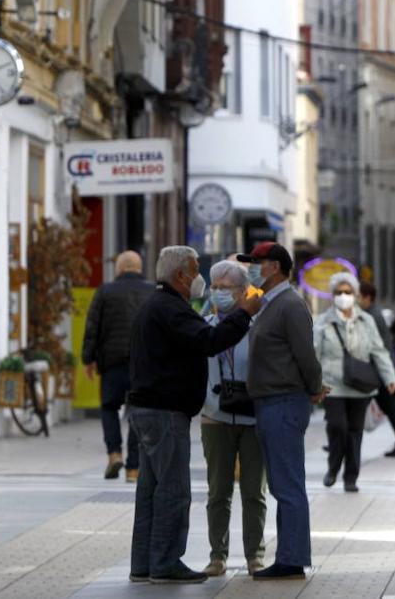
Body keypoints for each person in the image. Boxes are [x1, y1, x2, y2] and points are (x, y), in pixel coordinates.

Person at [125, 246, 260, 585]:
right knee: (173, 489)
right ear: (181, 275)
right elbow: (211, 340)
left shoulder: (155, 305)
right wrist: (243, 313)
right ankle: (166, 562)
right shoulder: (171, 308)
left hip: (146, 408)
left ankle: (144, 563)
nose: (202, 278)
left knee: (151, 489)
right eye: (197, 270)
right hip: (163, 412)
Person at [237, 241, 327, 581]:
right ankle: (290, 555)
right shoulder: (268, 304)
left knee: (287, 484)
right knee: (281, 483)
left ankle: (291, 559)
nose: (251, 269)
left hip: (283, 403)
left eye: (256, 263)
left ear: (274, 267)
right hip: (272, 402)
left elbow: (306, 355)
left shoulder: (289, 305)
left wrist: (314, 387)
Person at [199, 261, 266, 577]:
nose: (218, 293)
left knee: (253, 489)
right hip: (216, 415)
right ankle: (217, 555)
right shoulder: (205, 325)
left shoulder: (257, 329)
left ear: (242, 292)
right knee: (218, 490)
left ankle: (255, 554)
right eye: (214, 287)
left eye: (225, 288)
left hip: (253, 418)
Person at [315, 273, 395, 492]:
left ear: (356, 295)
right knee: (336, 427)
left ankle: (350, 477)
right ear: (332, 295)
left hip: (359, 386)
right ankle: (333, 467)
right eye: (339, 292)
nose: (343, 296)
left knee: (354, 432)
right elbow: (313, 353)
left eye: (348, 292)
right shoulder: (323, 322)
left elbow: (379, 351)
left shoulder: (366, 321)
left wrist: (389, 377)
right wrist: (310, 382)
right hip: (331, 385)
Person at [82, 250, 154, 482]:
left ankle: (114, 453)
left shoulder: (105, 291)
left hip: (112, 362)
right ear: (139, 268)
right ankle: (134, 468)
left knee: (109, 407)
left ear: (120, 268)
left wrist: (88, 359)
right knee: (137, 411)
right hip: (142, 363)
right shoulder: (151, 291)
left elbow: (93, 327)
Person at [359, 282, 395, 458]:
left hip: (377, 371)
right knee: (389, 407)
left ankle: (340, 444)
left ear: (367, 297)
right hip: (379, 370)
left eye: (359, 296)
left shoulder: (371, 316)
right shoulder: (372, 313)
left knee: (356, 407)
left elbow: (376, 347)